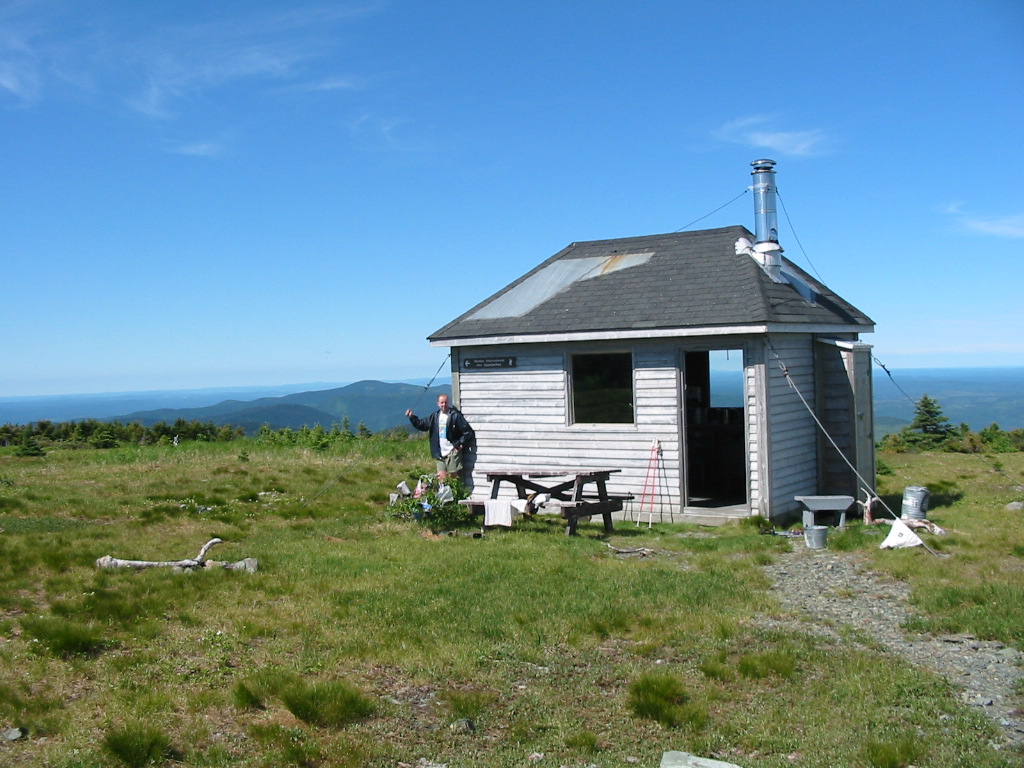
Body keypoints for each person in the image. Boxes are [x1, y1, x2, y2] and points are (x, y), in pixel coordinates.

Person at [405, 394, 474, 481]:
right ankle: (443, 490)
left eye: (445, 402)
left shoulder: (455, 416)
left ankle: (455, 490)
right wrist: (412, 417)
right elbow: (422, 425)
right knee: (441, 478)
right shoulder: (435, 416)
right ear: (438, 403)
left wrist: (461, 444)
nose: (444, 405)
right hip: (439, 452)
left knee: (453, 477)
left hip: (452, 451)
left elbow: (467, 432)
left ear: (448, 403)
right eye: (442, 403)